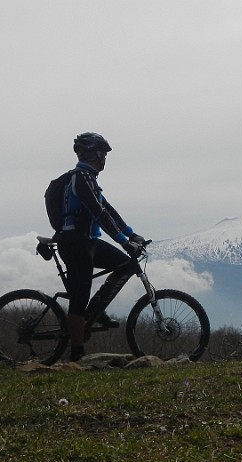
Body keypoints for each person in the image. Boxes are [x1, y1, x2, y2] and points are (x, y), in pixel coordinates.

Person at [56, 132, 147, 362]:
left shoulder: (90, 179)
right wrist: (123, 241)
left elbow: (108, 209)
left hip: (89, 243)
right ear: (96, 155)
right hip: (75, 244)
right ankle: (76, 352)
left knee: (126, 265)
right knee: (79, 296)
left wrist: (131, 233)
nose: (105, 159)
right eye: (104, 154)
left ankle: (94, 311)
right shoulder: (81, 178)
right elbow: (98, 213)